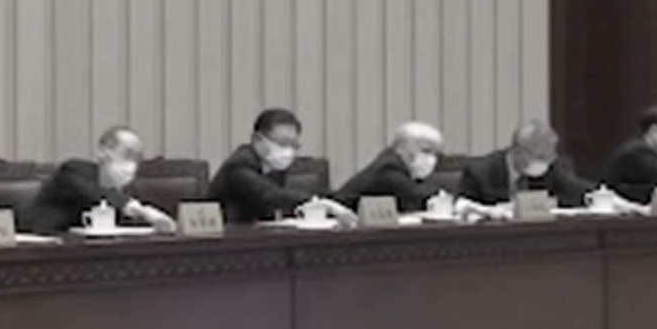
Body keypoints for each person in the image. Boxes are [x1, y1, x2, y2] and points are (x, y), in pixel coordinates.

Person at [22, 125, 179, 236]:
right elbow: (94, 194)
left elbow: (131, 226)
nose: (131, 164)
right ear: (102, 152)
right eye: (126, 155)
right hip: (48, 249)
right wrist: (140, 210)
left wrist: (159, 224)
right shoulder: (73, 170)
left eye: (136, 158)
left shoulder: (127, 190)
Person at [208, 108, 355, 224]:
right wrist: (316, 202)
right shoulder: (238, 166)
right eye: (282, 143)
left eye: (294, 145)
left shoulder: (273, 166)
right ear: (257, 139)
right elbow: (269, 195)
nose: (288, 151)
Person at [458, 120, 597, 209]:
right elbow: (462, 209)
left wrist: (602, 196)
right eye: (540, 157)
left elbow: (579, 191)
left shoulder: (551, 167)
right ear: (517, 152)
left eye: (550, 156)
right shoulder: (480, 173)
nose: (546, 162)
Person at [333, 121, 446, 214]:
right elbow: (416, 195)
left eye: (435, 153)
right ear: (402, 148)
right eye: (426, 151)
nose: (431, 158)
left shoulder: (400, 167)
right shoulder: (388, 168)